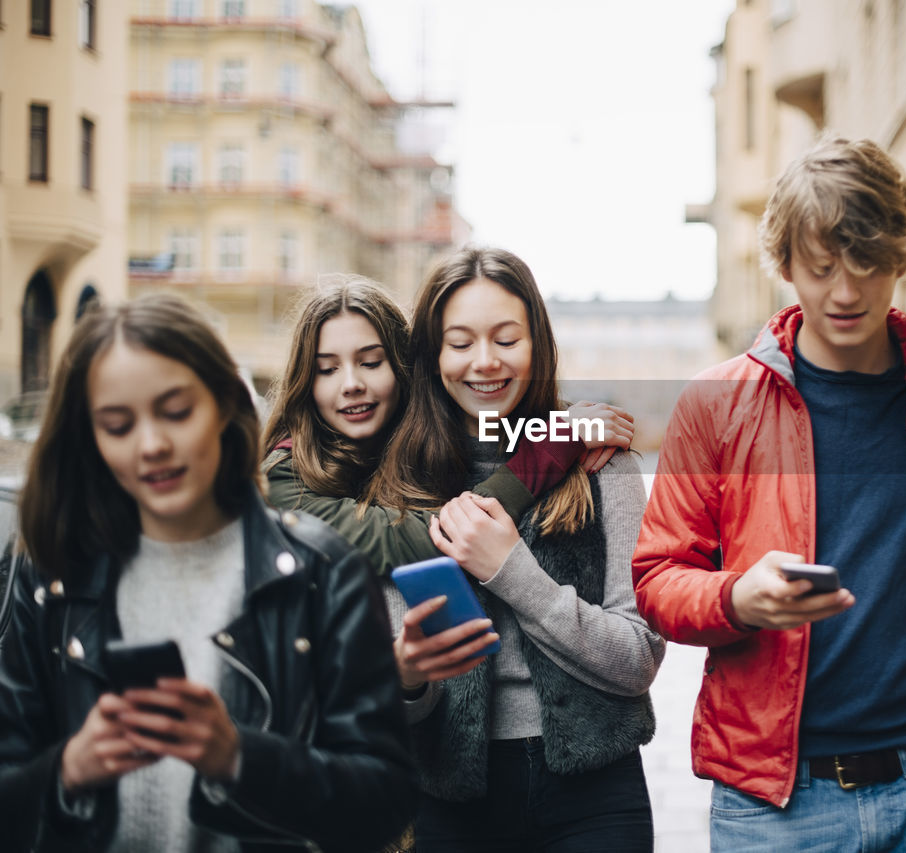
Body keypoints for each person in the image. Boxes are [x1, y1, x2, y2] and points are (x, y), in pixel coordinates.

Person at [631, 135, 906, 852]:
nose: (845, 292)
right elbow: (658, 579)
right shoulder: (714, 405)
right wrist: (735, 600)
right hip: (772, 806)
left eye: (868, 263)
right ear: (784, 264)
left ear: (903, 257)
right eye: (820, 268)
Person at [0, 293, 416, 852]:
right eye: (118, 425)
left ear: (224, 405)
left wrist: (239, 758)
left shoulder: (321, 569)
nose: (152, 445)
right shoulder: (47, 573)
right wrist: (66, 772)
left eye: (175, 412)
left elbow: (383, 805)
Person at [366, 246, 665, 853]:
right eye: (460, 342)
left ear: (538, 345)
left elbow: (638, 659)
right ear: (432, 354)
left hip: (596, 796)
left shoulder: (602, 464)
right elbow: (398, 707)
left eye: (506, 339)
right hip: (449, 799)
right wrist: (404, 679)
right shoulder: (395, 486)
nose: (484, 362)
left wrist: (512, 572)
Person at [260, 274, 636, 693]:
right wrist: (554, 444)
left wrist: (561, 422)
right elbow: (432, 536)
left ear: (406, 369)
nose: (351, 383)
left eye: (370, 362)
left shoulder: (411, 451)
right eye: (326, 369)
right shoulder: (283, 480)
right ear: (304, 382)